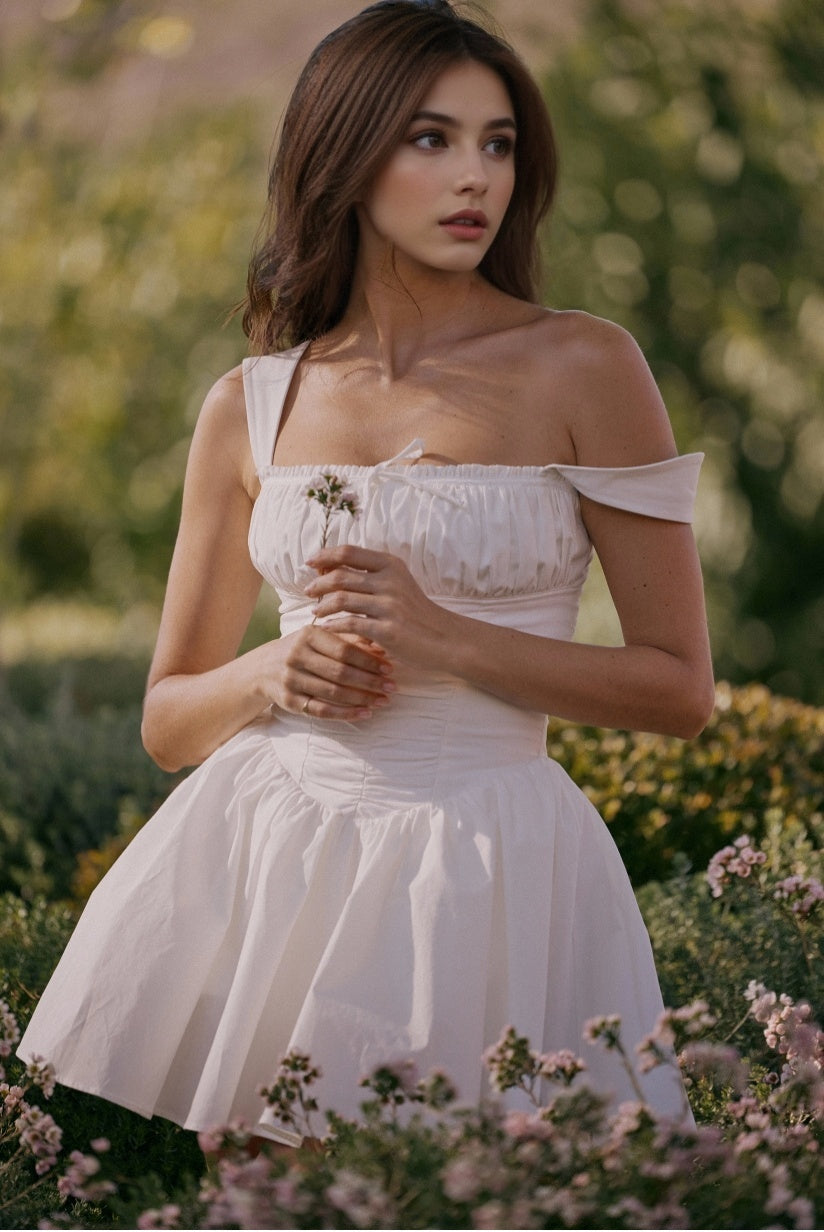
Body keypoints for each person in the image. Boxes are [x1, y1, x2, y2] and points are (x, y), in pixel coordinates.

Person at [19, 0, 715, 1148]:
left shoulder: (585, 364)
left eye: (497, 142)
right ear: (342, 154)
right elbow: (169, 720)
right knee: (279, 1197)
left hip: (499, 865)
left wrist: (451, 641)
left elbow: (679, 690)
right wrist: (277, 670)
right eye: (430, 138)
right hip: (277, 854)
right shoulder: (248, 404)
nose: (475, 177)